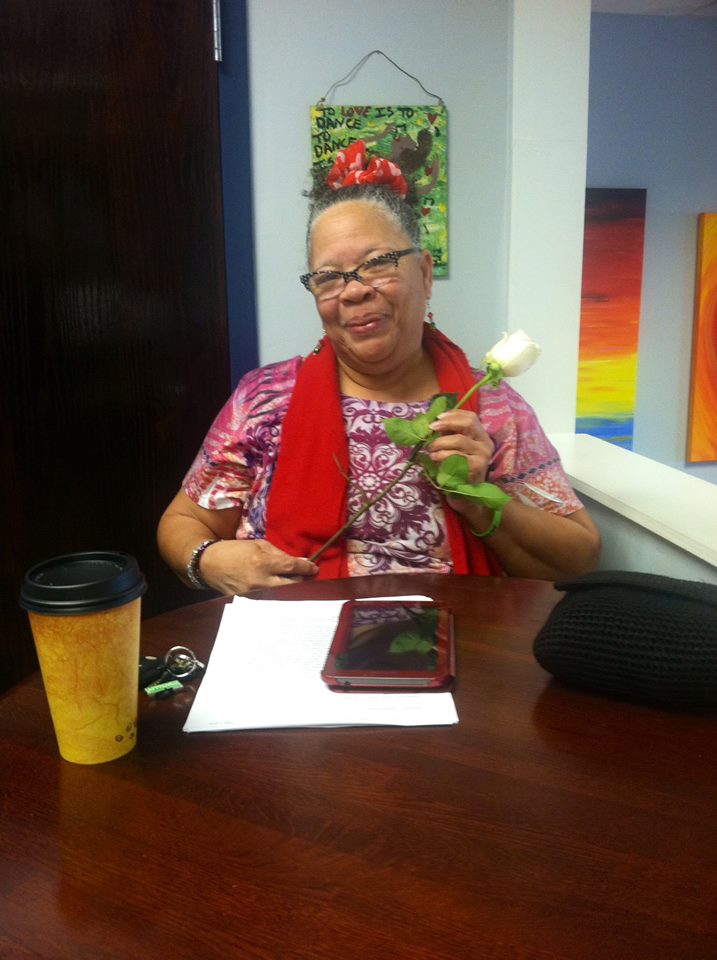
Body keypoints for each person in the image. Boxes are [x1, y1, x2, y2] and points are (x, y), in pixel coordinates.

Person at [157, 141, 600, 595]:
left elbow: (578, 559)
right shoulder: (265, 398)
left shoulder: (487, 409)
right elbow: (184, 521)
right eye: (328, 277)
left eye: (377, 264)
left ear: (425, 274)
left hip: (451, 642)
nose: (352, 292)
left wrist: (480, 498)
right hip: (293, 639)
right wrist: (205, 560)